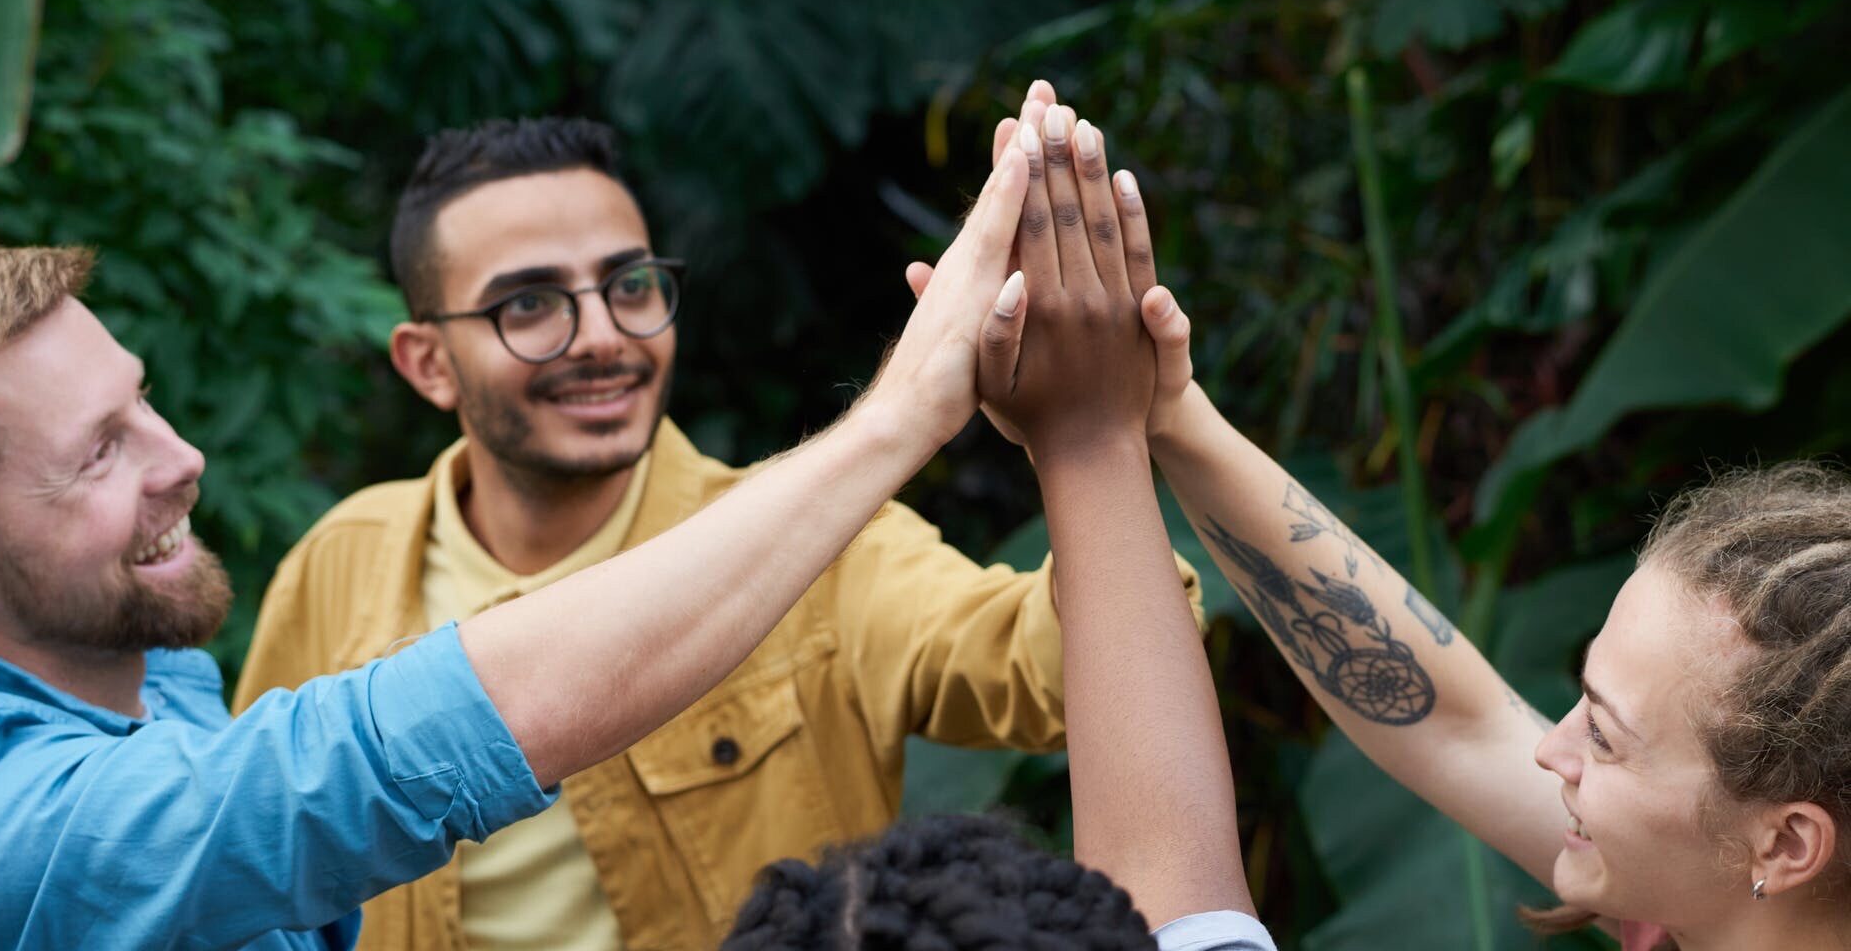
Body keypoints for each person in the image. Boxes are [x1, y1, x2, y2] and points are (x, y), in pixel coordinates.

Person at [0, 141, 1043, 950]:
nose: (186, 459)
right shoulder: (10, 827)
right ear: (425, 361)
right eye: (98, 452)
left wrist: (1106, 428)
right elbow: (347, 773)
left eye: (145, 401)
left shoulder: (164, 680)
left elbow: (1050, 665)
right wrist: (900, 414)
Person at [231, 111, 1206, 949]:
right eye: (529, 303)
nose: (605, 336)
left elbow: (1052, 671)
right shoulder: (340, 564)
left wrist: (1080, 429)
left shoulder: (825, 544)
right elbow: (252, 867)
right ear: (426, 363)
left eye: (630, 285)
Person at [1116, 154, 1851, 951]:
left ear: (1785, 846)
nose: (1547, 748)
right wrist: (1171, 414)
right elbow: (1452, 723)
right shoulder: (1695, 898)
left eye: (1604, 738)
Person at [723, 97, 1277, 951]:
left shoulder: (842, 560)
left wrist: (933, 413)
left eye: (633, 281)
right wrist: (1092, 435)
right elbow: (1180, 900)